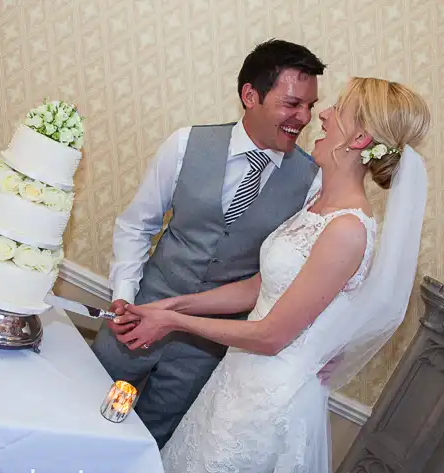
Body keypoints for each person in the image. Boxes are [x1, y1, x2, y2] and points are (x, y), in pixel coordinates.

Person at [119, 77, 431, 473]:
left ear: (360, 138)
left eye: (337, 110)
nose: (322, 116)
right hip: (235, 383)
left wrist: (173, 323)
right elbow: (257, 288)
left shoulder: (348, 229)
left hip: (263, 405)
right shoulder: (320, 206)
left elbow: (271, 335)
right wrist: (175, 306)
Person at [91, 39, 327, 448]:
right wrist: (124, 297)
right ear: (250, 95)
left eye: (310, 105)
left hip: (208, 347)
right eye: (292, 103)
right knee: (81, 407)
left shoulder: (313, 184)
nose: (304, 117)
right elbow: (136, 226)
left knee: (149, 446)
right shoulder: (184, 144)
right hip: (137, 315)